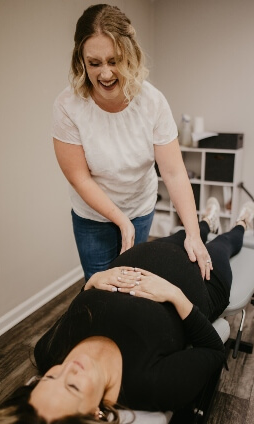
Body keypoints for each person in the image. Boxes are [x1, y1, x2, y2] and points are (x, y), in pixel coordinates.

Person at [0, 198, 254, 424]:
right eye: (73, 387)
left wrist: (91, 284)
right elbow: (213, 351)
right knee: (224, 245)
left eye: (51, 377)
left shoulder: (48, 352)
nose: (68, 369)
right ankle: (242, 223)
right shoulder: (149, 385)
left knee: (190, 233)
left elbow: (78, 314)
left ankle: (207, 222)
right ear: (93, 415)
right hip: (203, 281)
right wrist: (174, 296)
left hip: (153, 250)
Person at [52, 3, 210, 281]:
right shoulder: (68, 106)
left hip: (139, 207)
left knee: (133, 287)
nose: (105, 74)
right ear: (81, 61)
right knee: (101, 289)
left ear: (130, 56)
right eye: (95, 63)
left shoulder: (152, 102)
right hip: (92, 217)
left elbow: (173, 173)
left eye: (114, 61)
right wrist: (121, 221)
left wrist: (193, 234)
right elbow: (80, 178)